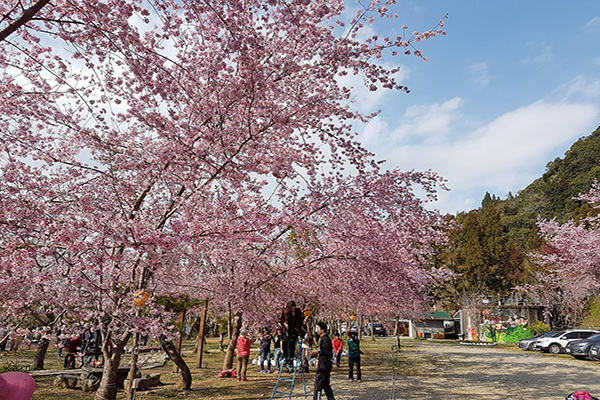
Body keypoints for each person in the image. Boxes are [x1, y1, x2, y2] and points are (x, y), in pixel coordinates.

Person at [313, 321, 335, 400]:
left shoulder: (325, 339)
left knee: (318, 385)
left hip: (324, 365)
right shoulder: (323, 339)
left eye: (318, 328)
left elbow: (326, 352)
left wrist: (316, 352)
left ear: (322, 330)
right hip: (324, 363)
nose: (317, 330)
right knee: (325, 384)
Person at [280, 301, 303, 366]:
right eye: (291, 307)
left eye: (294, 307)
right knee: (285, 343)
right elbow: (281, 320)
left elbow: (301, 321)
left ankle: (290, 359)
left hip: (295, 330)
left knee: (291, 343)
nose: (293, 308)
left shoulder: (298, 312)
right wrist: (285, 324)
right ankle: (286, 358)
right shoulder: (285, 312)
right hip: (287, 330)